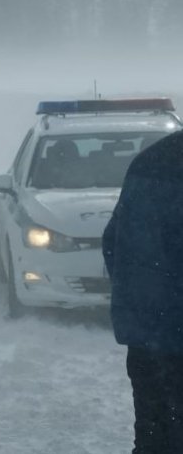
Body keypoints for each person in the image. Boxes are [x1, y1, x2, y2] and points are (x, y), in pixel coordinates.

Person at [103, 131, 183, 452]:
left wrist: (140, 302)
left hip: (146, 338)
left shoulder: (149, 160)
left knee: (154, 434)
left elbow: (112, 241)